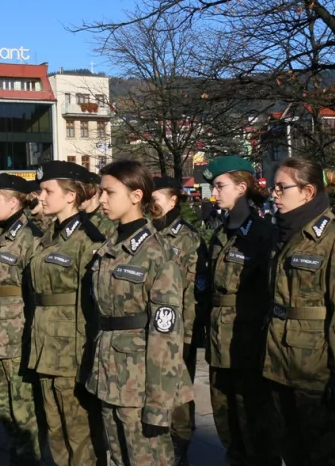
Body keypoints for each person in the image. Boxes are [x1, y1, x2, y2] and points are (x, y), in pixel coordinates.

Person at [264, 158, 335, 466]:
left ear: (307, 191)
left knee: (328, 456)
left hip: (317, 373)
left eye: (281, 187)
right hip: (280, 365)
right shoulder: (284, 235)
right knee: (292, 451)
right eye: (273, 187)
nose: (274, 193)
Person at [86, 159, 193, 466]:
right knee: (118, 459)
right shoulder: (111, 246)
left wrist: (159, 403)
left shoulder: (157, 253)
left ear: (136, 196)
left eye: (109, 192)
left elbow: (167, 334)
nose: (102, 200)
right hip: (109, 374)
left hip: (141, 384)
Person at [200, 156, 280, 466]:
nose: (214, 194)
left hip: (248, 344)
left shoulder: (261, 234)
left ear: (242, 187)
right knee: (227, 425)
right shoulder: (221, 233)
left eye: (219, 186)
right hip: (220, 344)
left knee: (256, 428)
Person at [30, 161, 107, 466]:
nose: (42, 197)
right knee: (55, 428)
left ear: (71, 196)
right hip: (44, 344)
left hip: (71, 348)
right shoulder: (50, 235)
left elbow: (94, 303)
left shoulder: (87, 239)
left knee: (79, 432)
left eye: (48, 191)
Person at [0, 173, 43, 466]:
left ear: (15, 201)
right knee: (2, 404)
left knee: (23, 408)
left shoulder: (30, 236)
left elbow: (35, 292)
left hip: (17, 334)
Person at [151, 176, 206, 465]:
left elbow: (194, 289)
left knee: (179, 392)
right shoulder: (148, 231)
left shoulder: (187, 237)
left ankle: (180, 444)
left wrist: (188, 332)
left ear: (173, 201)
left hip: (181, 328)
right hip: (151, 328)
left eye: (156, 196)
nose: (150, 202)